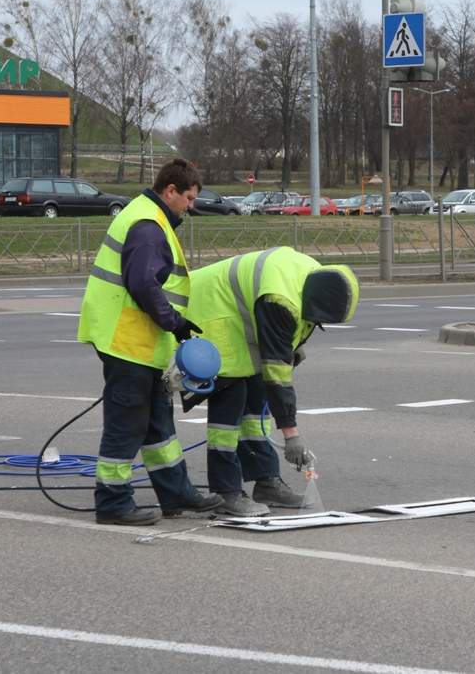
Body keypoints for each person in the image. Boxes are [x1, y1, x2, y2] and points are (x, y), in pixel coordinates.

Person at [78, 159, 222, 525]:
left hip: (140, 342)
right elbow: (142, 283)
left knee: (158, 424)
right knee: (126, 425)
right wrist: (174, 322)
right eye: (188, 198)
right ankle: (112, 503)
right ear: (169, 191)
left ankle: (176, 493)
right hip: (127, 342)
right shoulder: (147, 226)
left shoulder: (150, 218)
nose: (191, 206)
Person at [185, 247, 359, 516]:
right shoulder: (279, 299)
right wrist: (292, 435)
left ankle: (266, 482)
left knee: (256, 405)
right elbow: (278, 376)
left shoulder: (316, 279)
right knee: (229, 405)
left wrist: (293, 344)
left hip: (238, 323)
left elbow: (299, 323)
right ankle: (226, 492)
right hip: (211, 315)